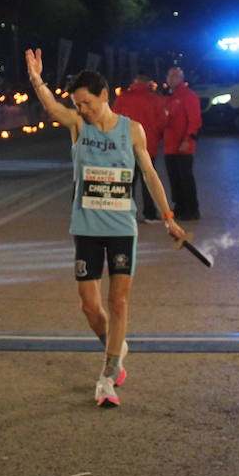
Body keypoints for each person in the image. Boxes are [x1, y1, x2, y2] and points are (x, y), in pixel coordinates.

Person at [25, 50, 185, 408]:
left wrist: (168, 217)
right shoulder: (78, 127)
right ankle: (116, 345)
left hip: (121, 228)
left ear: (104, 96)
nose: (81, 109)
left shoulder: (132, 131)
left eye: (86, 103)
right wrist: (37, 80)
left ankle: (109, 372)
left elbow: (149, 174)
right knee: (89, 306)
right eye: (76, 104)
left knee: (119, 300)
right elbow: (52, 108)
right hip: (86, 227)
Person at [111, 70, 168, 223]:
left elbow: (113, 118)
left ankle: (124, 214)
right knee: (148, 178)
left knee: (126, 181)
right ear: (148, 82)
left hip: (124, 146)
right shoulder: (155, 99)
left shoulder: (123, 98)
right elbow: (163, 122)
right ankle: (149, 213)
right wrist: (157, 135)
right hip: (148, 145)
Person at [163, 65, 203, 222]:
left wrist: (188, 139)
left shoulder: (188, 96)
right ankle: (180, 207)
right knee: (174, 178)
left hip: (183, 146)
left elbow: (194, 120)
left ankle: (192, 209)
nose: (171, 79)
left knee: (185, 178)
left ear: (181, 78)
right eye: (169, 76)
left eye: (174, 76)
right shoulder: (169, 98)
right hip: (170, 145)